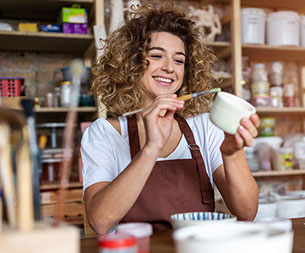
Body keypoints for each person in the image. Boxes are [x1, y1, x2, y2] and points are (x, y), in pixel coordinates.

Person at [81, 2, 260, 235]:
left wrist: (232, 153)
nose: (169, 68)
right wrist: (151, 149)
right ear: (132, 63)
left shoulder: (205, 127)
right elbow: (100, 221)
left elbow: (247, 213)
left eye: (179, 60)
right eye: (157, 56)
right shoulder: (105, 132)